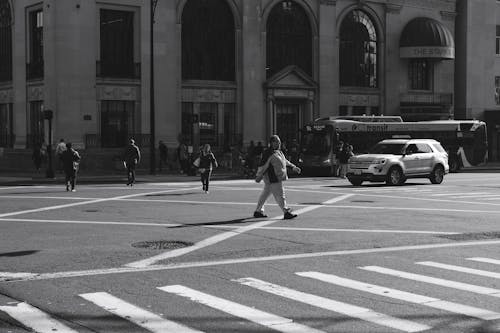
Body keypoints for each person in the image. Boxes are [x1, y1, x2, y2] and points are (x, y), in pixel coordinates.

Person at [254, 135, 301, 220]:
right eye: (276, 141)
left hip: (275, 178)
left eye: (279, 141)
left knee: (265, 194)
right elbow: (263, 165)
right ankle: (286, 212)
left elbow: (285, 161)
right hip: (273, 178)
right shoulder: (268, 153)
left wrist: (293, 167)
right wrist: (258, 175)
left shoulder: (278, 152)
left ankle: (258, 211)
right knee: (280, 194)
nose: (278, 143)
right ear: (271, 143)